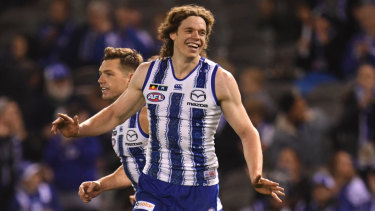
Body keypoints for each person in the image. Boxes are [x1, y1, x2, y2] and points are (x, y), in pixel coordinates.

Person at [51, 5, 284, 210]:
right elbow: (114, 113)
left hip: (200, 187)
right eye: (189, 30)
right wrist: (79, 129)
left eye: (202, 32)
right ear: (172, 33)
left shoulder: (219, 79)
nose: (197, 37)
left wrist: (256, 174)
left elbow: (247, 131)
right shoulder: (148, 73)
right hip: (155, 185)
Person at [76, 47, 148, 206]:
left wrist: (157, 194)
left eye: (109, 74)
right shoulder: (123, 118)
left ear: (130, 79)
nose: (100, 80)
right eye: (101, 73)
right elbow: (134, 167)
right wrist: (101, 185)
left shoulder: (151, 115)